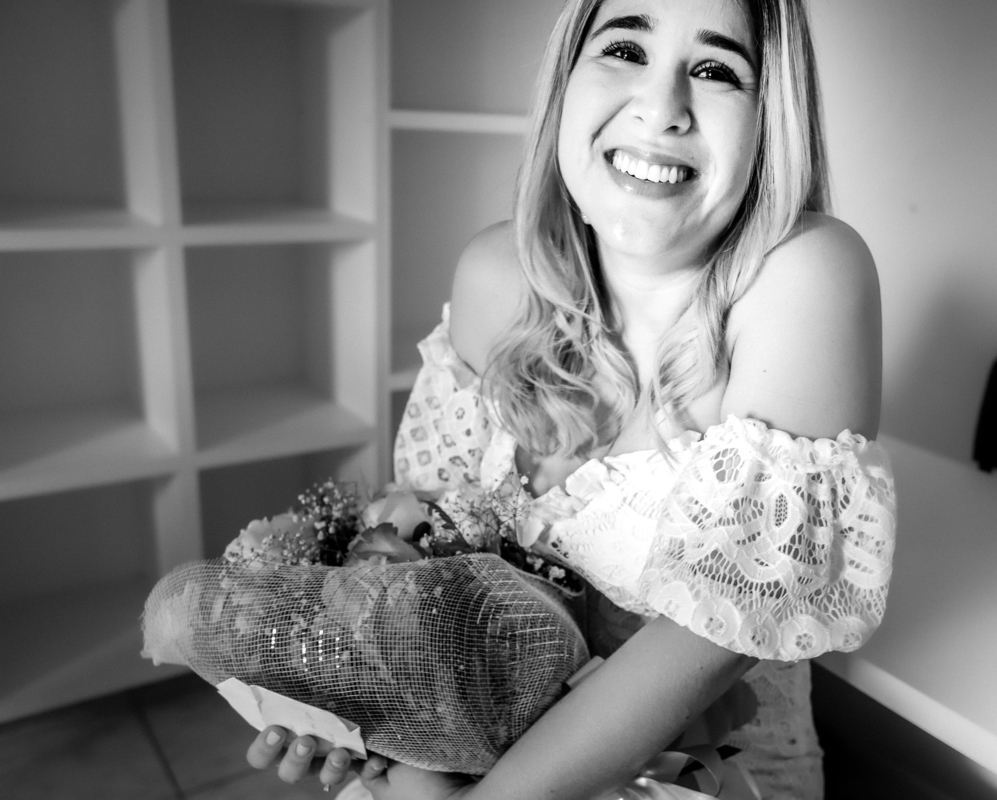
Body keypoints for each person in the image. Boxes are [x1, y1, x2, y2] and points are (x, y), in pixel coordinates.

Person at [246, 0, 896, 797]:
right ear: (566, 79)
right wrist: (363, 714)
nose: (661, 106)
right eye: (626, 48)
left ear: (772, 119)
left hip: (709, 777)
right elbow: (426, 574)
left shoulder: (807, 275)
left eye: (715, 69)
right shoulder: (494, 275)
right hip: (470, 753)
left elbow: (710, 643)